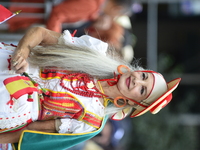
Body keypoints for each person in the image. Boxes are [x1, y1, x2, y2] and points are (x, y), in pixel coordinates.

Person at [0, 27, 181, 150]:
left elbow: (30, 131)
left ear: (133, 103)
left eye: (142, 90)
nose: (136, 81)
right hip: (6, 63)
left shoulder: (91, 121)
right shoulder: (97, 51)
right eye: (143, 76)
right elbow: (40, 33)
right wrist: (21, 53)